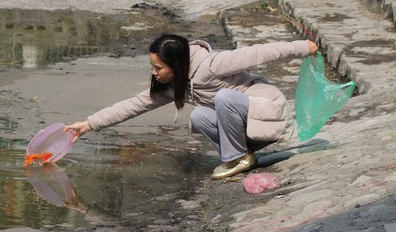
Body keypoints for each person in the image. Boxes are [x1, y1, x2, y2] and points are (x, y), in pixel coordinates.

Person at [65, 33, 319, 180]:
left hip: (267, 113)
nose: (154, 73)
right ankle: (243, 155)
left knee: (223, 98)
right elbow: (134, 105)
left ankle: (239, 158)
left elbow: (259, 53)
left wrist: (303, 47)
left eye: (158, 68)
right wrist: (88, 124)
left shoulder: (213, 64)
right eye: (152, 67)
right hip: (247, 126)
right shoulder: (175, 85)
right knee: (198, 115)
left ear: (176, 65)